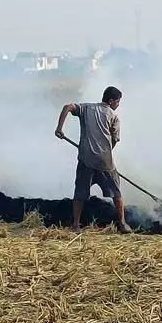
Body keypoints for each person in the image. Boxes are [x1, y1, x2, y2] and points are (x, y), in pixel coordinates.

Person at [55, 85, 132, 234]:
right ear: (111, 101)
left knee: (80, 193)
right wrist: (104, 152)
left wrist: (59, 128)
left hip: (85, 159)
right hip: (105, 162)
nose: (118, 104)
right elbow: (115, 140)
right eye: (118, 101)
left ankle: (76, 225)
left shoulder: (86, 108)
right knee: (116, 193)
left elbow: (67, 107)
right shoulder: (113, 116)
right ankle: (122, 224)